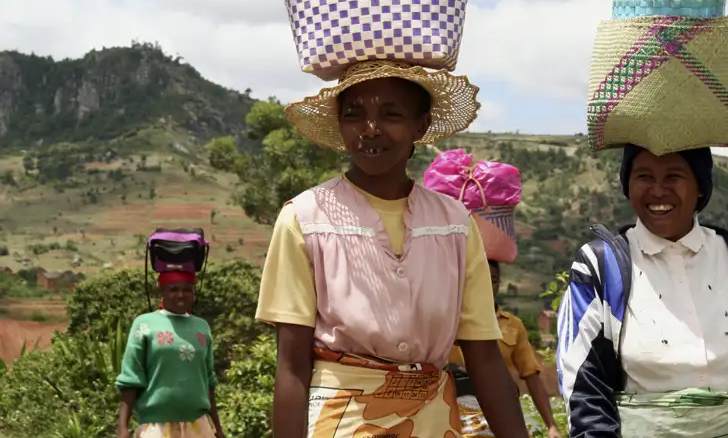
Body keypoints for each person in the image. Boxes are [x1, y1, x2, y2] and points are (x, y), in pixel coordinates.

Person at [256, 60, 530, 438]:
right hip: (340, 426)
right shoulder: (305, 218)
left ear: (421, 125)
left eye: (391, 114)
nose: (370, 129)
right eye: (354, 115)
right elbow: (291, 367)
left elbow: (484, 358)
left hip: (434, 426)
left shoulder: (454, 224)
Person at [556, 145, 728, 437]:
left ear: (700, 186)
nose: (658, 190)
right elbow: (583, 387)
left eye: (674, 176)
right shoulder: (601, 266)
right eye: (644, 176)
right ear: (627, 184)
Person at [448, 259, 562, 438]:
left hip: (499, 414)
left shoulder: (513, 326)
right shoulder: (448, 322)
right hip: (455, 412)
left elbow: (531, 376)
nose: (487, 285)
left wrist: (551, 426)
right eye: (480, 279)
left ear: (499, 284)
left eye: (493, 280)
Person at [116, 270, 224, 438]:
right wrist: (123, 427)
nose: (180, 295)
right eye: (173, 289)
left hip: (199, 426)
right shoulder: (145, 324)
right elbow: (131, 377)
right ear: (162, 291)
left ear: (194, 292)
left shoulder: (202, 327)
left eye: (187, 289)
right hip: (156, 427)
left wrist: (217, 428)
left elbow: (208, 380)